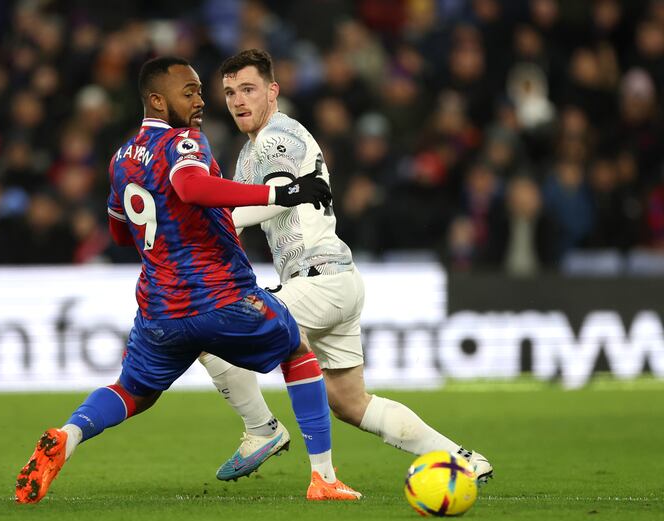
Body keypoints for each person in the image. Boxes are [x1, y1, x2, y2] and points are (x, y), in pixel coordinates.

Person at [15, 56, 361, 504]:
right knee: (296, 352)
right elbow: (191, 187)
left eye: (200, 90)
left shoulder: (122, 159)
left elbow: (120, 231)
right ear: (157, 100)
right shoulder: (183, 143)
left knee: (133, 390)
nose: (200, 101)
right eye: (189, 92)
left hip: (159, 308)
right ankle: (323, 478)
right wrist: (282, 192)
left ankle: (69, 434)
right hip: (220, 294)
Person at [198, 49, 494, 484]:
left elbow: (279, 193)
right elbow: (239, 219)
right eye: (229, 93)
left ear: (272, 91)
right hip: (336, 281)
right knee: (350, 402)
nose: (238, 100)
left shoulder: (278, 137)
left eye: (248, 89)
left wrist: (211, 227)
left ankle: (261, 430)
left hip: (317, 281)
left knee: (203, 329)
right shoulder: (249, 153)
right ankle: (462, 458)